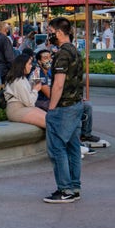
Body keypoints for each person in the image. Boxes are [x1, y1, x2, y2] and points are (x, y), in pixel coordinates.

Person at [43, 17, 84, 203]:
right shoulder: (75, 51)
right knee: (73, 147)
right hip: (76, 104)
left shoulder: (62, 55)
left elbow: (58, 84)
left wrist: (51, 109)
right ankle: (74, 186)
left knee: (57, 148)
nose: (48, 34)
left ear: (59, 33)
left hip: (63, 107)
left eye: (50, 31)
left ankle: (64, 189)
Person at [3, 53, 47, 129]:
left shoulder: (21, 78)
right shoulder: (18, 80)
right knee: (48, 123)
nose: (31, 66)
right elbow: (29, 102)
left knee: (51, 120)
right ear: (22, 65)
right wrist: (35, 90)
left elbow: (26, 92)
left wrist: (34, 82)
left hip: (22, 108)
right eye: (29, 64)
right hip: (17, 110)